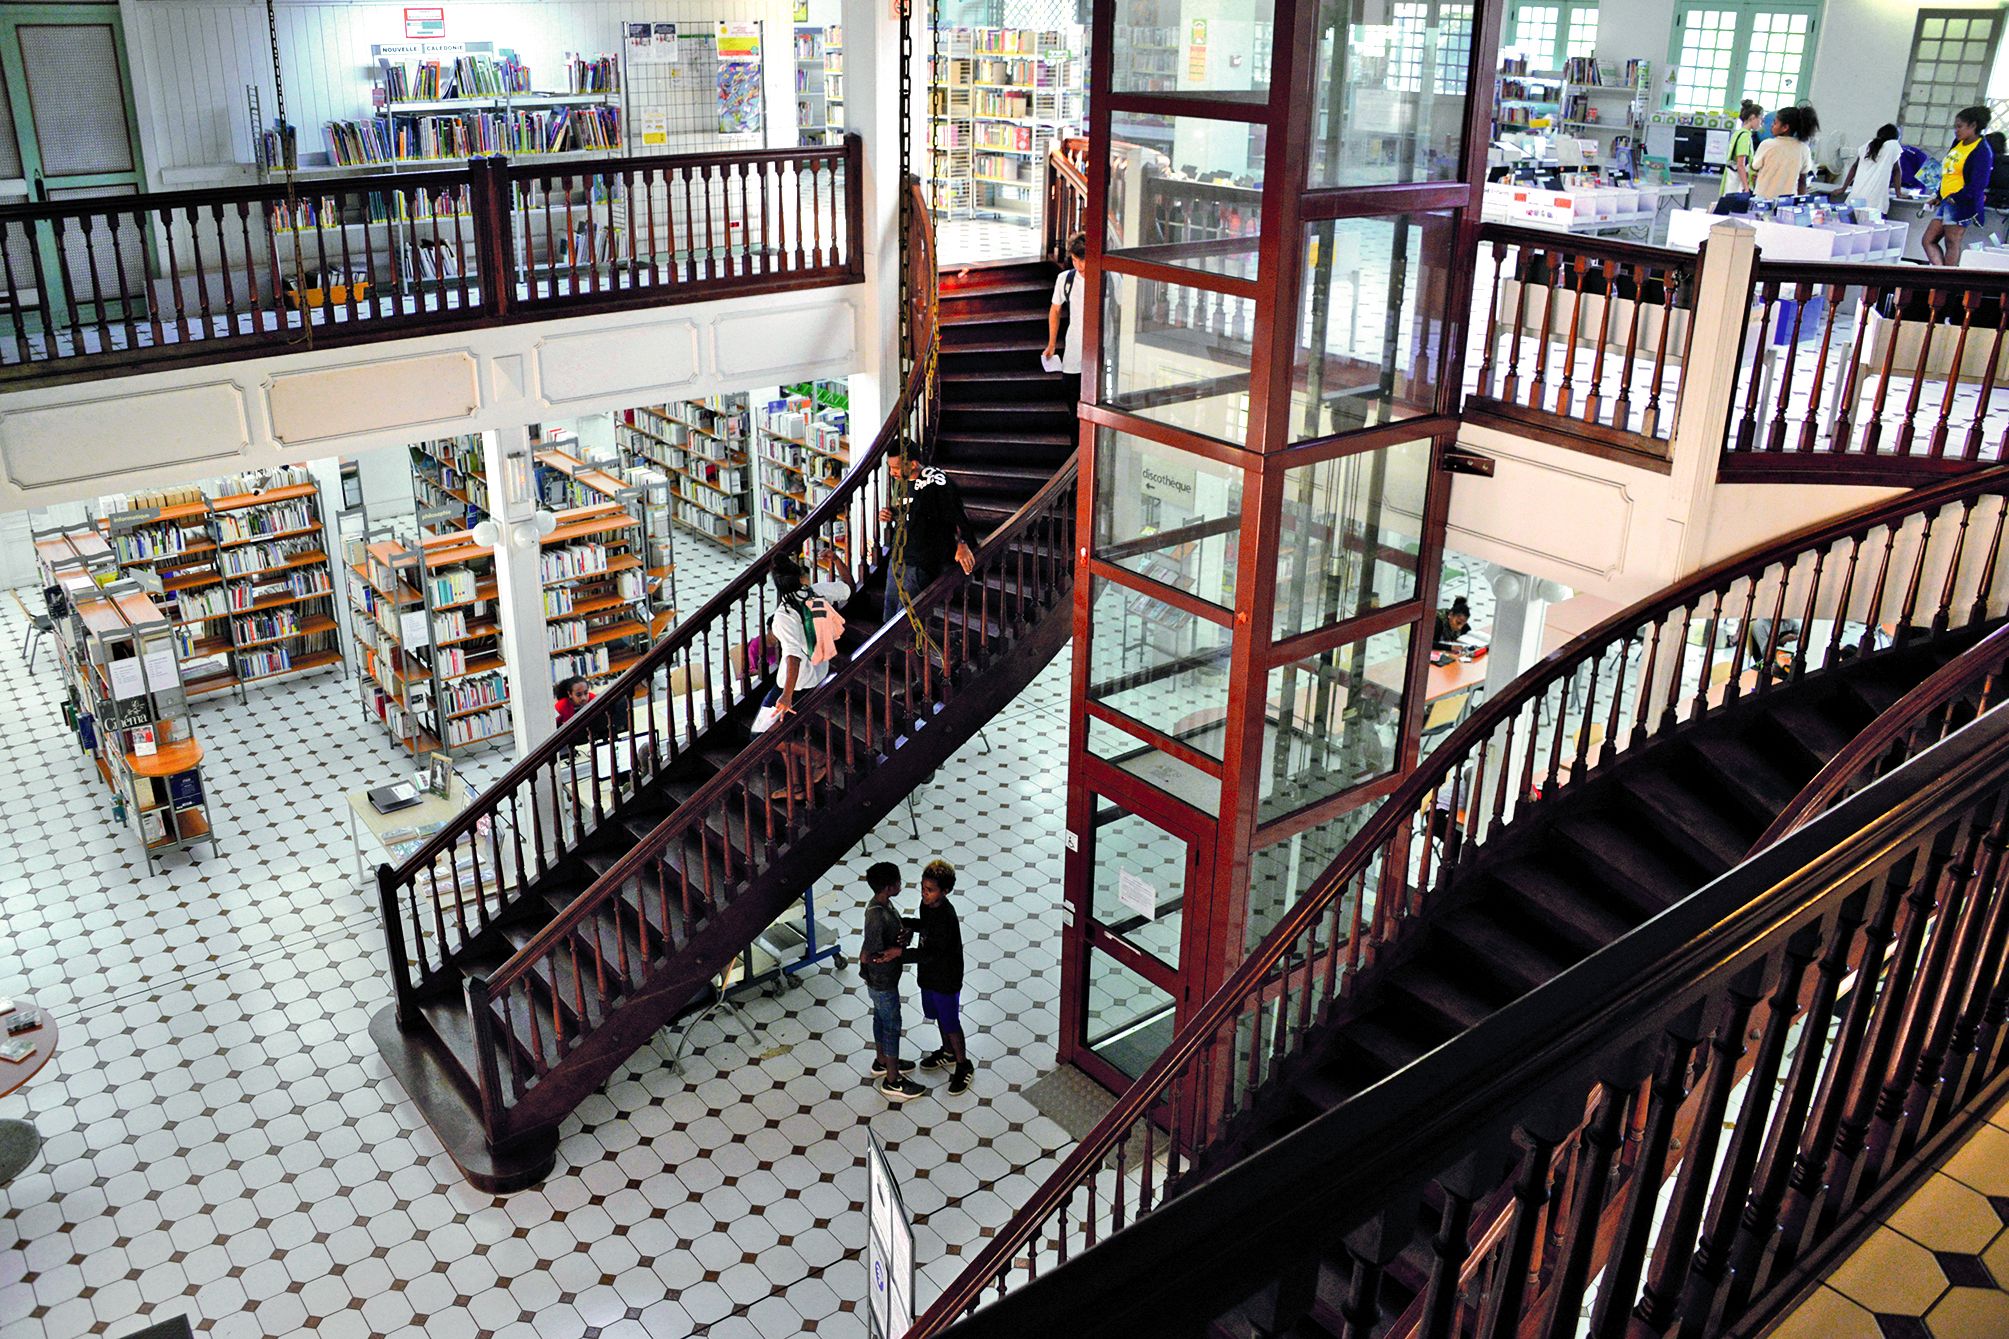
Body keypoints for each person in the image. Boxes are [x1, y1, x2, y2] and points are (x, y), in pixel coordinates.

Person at [753, 557, 850, 801]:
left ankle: (820, 758)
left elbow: (793, 656)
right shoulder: (817, 593)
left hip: (794, 684)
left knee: (759, 736)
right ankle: (795, 786)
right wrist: (836, 560)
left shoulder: (783, 615)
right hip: (819, 672)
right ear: (799, 578)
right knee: (781, 732)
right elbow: (848, 585)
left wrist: (786, 695)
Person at [877, 440, 979, 625]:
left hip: (920, 562)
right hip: (898, 557)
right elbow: (911, 511)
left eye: (896, 468)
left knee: (903, 620)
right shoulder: (900, 481)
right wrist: (891, 515)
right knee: (890, 611)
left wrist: (963, 544)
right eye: (890, 468)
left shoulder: (937, 483)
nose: (892, 473)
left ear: (913, 464)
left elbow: (958, 515)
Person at [904, 857, 971, 1095]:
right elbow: (925, 926)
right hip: (929, 975)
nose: (924, 894)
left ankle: (963, 1064)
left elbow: (932, 952)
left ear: (945, 891)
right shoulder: (927, 906)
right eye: (923, 888)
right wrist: (909, 924)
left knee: (950, 1021)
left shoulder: (946, 917)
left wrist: (899, 955)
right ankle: (947, 1051)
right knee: (938, 1015)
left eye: (930, 891)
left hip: (946, 978)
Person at [860, 862, 924, 1102]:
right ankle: (893, 1079)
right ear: (888, 887)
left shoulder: (884, 905)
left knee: (880, 1018)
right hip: (882, 980)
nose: (901, 884)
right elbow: (871, 954)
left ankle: (882, 1060)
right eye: (897, 882)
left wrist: (903, 934)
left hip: (885, 978)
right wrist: (896, 950)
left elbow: (894, 929)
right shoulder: (875, 915)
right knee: (892, 1025)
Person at [1923, 106, 1995, 266]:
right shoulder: (1958, 143)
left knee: (1951, 242)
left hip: (1961, 202)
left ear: (1973, 126)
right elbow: (1948, 171)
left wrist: (1957, 198)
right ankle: (1941, 276)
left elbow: (1978, 184)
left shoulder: (1982, 151)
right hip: (1946, 199)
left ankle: (1945, 282)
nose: (1956, 131)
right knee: (1928, 240)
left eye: (1959, 126)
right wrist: (1938, 195)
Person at [1041, 231, 1087, 404]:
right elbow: (1055, 310)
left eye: (1082, 260)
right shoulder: (1065, 279)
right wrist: (1052, 344)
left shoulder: (1110, 278)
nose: (1079, 266)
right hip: (1074, 351)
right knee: (1072, 402)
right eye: (1075, 260)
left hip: (1101, 350)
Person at [1751, 105, 1817, 199]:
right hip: (1787, 202)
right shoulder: (1804, 149)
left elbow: (1755, 166)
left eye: (1775, 123)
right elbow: (1802, 182)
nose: (1771, 125)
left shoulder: (1767, 144)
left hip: (1763, 199)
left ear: (1785, 127)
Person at [1840, 123, 1904, 214]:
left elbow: (1854, 167)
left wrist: (1843, 188)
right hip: (1874, 202)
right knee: (1872, 227)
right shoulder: (1892, 145)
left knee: (1852, 226)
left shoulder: (1867, 146)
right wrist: (1899, 193)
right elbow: (1897, 171)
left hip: (1855, 198)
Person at [1721, 101, 1764, 199]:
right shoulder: (1745, 136)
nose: (1761, 122)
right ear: (1752, 117)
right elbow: (1741, 165)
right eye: (1760, 118)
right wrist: (1746, 188)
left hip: (1729, 179)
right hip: (1737, 184)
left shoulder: (1737, 133)